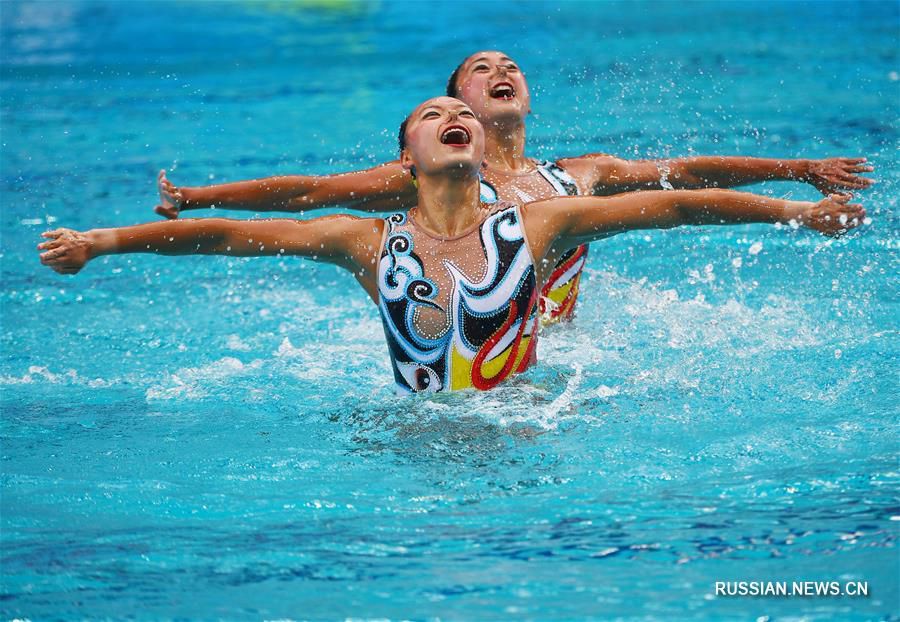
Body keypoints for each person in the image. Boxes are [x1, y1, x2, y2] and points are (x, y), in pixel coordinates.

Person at [40, 97, 866, 393]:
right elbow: (235, 236)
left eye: (458, 113)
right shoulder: (366, 240)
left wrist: (794, 210)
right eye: (434, 116)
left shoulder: (539, 218)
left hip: (538, 420)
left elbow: (677, 206)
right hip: (411, 438)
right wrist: (103, 242)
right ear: (408, 158)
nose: (454, 119)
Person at [151, 51, 875, 323]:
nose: (500, 72)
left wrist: (800, 175)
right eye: (478, 69)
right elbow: (308, 193)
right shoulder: (421, 179)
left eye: (511, 68)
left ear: (526, 100)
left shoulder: (578, 176)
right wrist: (201, 197)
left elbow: (682, 183)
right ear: (454, 102)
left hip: (554, 351)